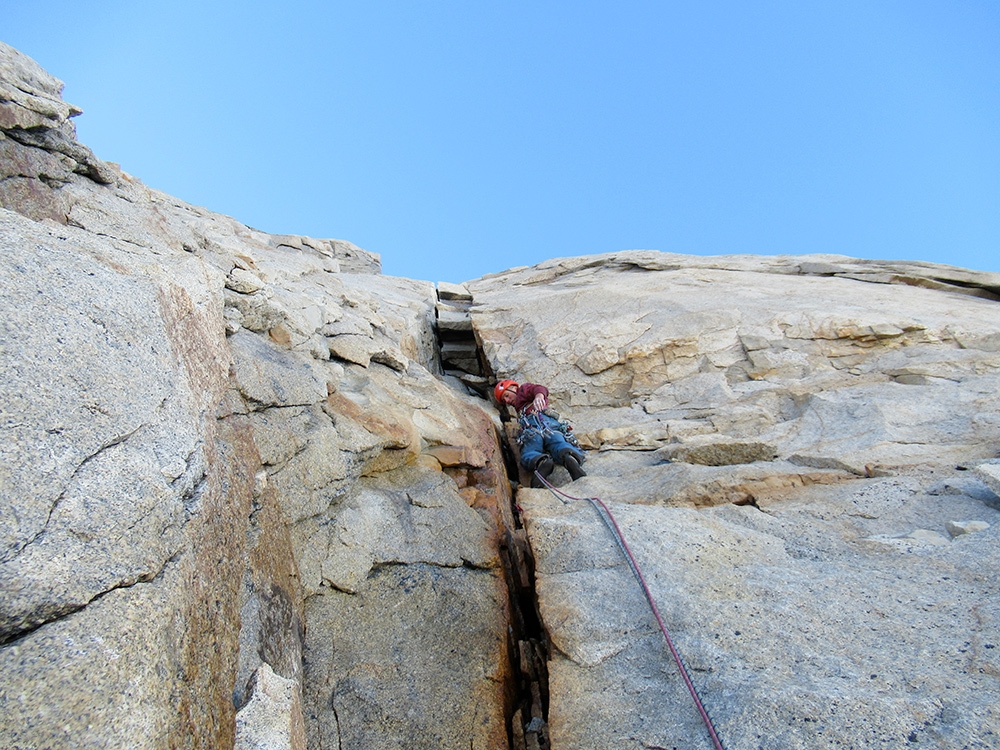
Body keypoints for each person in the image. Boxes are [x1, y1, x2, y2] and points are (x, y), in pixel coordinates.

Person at [494, 379, 586, 487]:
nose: (507, 401)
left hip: (531, 426)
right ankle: (568, 456)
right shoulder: (520, 405)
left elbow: (539, 388)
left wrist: (539, 396)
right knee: (557, 440)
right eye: (504, 400)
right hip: (549, 423)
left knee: (530, 448)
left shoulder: (523, 389)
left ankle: (540, 461)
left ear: (514, 388)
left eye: (506, 395)